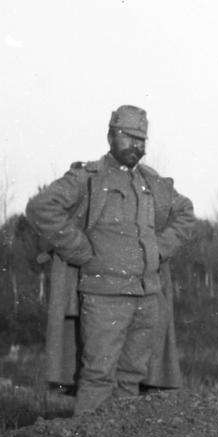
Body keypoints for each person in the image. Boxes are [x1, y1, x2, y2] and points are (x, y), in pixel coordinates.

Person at [26, 104, 195, 415]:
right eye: (128, 137)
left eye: (141, 139)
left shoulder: (151, 182)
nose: (136, 145)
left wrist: (160, 249)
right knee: (99, 377)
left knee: (131, 378)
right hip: (104, 297)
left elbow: (185, 213)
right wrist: (81, 250)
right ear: (110, 136)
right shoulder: (88, 177)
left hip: (146, 296)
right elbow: (41, 208)